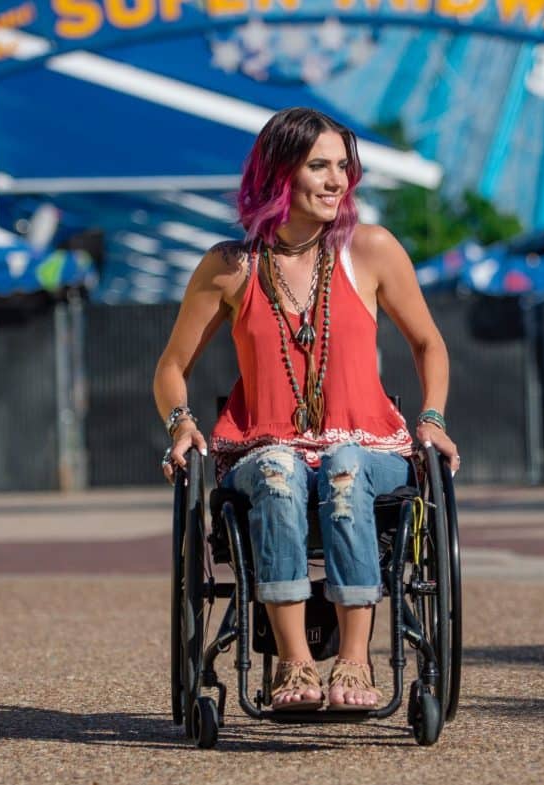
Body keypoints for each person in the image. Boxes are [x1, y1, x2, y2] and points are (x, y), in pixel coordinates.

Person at [153, 107, 457, 712]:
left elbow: (429, 343)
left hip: (370, 450)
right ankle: (293, 665)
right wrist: (180, 424)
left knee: (343, 464)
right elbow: (170, 369)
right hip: (263, 449)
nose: (337, 180)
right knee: (277, 469)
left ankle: (354, 658)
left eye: (344, 166)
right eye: (319, 165)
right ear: (278, 172)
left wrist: (433, 418)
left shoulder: (370, 250)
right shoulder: (230, 267)